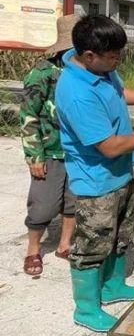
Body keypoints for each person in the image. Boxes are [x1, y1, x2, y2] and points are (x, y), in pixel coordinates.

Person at [55, 15, 134, 332]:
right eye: (113, 56)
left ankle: (112, 288)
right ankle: (85, 308)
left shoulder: (103, 71)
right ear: (88, 56)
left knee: (118, 237)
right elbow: (109, 147)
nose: (118, 61)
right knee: (92, 245)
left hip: (120, 175)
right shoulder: (77, 93)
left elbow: (121, 93)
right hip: (96, 182)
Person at [20, 14, 79, 277]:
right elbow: (28, 116)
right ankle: (33, 249)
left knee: (73, 202)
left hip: (79, 152)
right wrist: (34, 156)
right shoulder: (42, 73)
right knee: (43, 204)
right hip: (50, 150)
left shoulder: (84, 72)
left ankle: (64, 245)